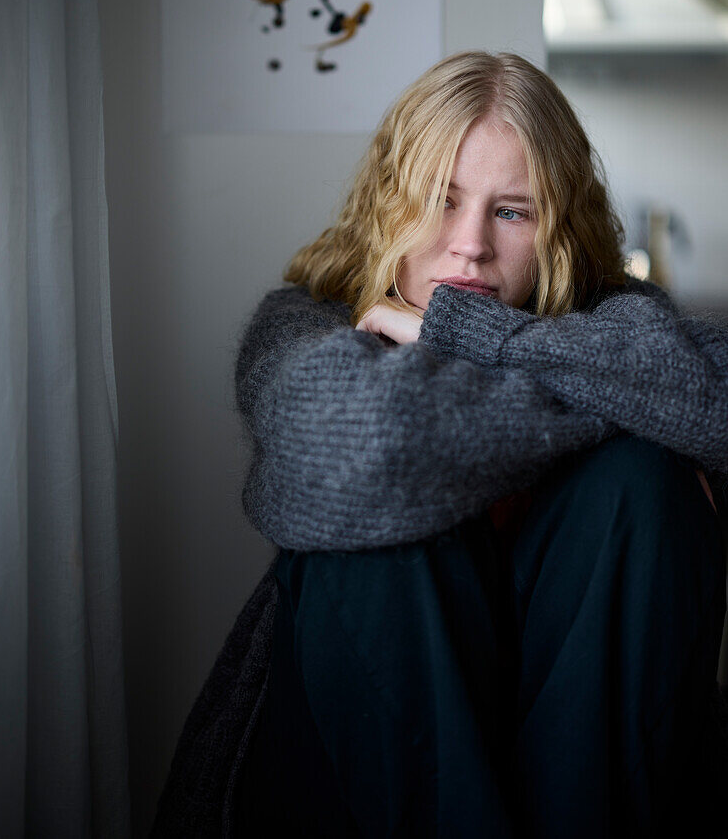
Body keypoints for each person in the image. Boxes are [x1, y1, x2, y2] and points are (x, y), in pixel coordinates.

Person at [151, 51, 728, 838]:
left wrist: (470, 334)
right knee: (381, 525)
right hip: (343, 767)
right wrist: (637, 400)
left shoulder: (612, 318)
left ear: (556, 229)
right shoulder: (307, 320)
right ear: (388, 203)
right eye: (438, 199)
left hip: (584, 767)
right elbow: (363, 448)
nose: (469, 246)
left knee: (642, 479)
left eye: (512, 212)